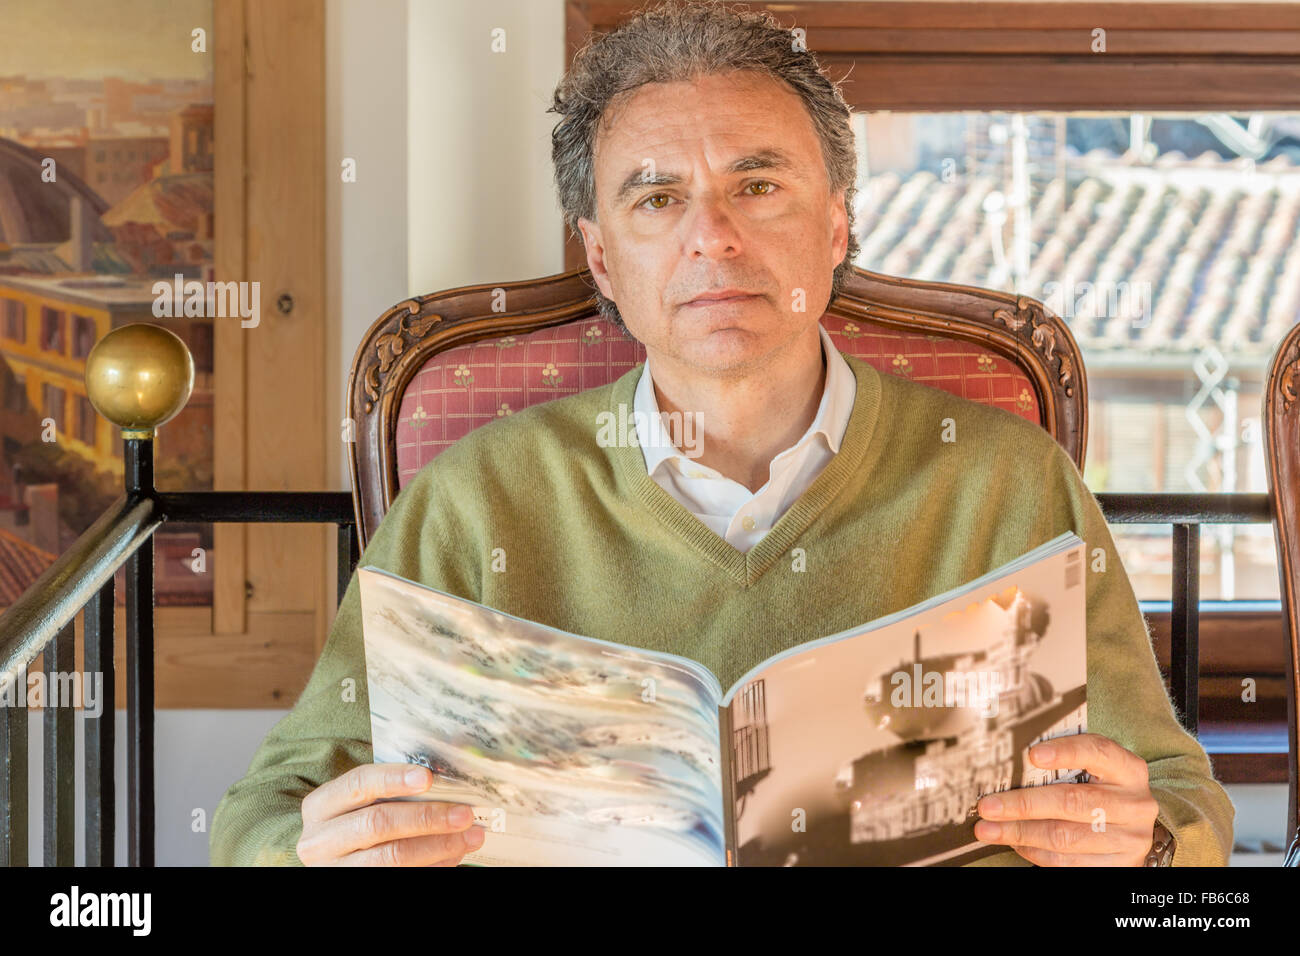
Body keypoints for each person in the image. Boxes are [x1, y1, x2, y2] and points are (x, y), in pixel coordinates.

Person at [210, 0, 1233, 867]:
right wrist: (310, 849)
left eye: (757, 185)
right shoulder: (475, 501)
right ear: (603, 260)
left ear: (835, 225)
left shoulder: (1008, 481)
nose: (713, 236)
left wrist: (1142, 841)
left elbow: (1185, 802)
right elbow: (262, 812)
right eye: (657, 198)